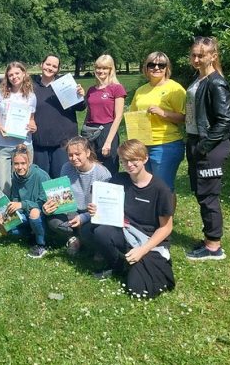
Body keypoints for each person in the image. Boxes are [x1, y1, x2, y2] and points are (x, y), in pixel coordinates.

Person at [89, 140, 175, 298]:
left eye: (134, 160)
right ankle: (118, 265)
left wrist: (143, 250)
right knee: (99, 231)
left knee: (138, 291)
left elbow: (166, 228)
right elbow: (108, 207)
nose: (129, 164)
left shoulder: (161, 189)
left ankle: (138, 263)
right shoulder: (119, 179)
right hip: (124, 230)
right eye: (124, 160)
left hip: (148, 239)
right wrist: (96, 209)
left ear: (145, 158)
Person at [185, 37, 230, 261]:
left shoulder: (216, 83)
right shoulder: (199, 78)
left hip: (209, 146)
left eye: (201, 55)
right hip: (197, 141)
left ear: (213, 56)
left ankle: (214, 247)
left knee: (208, 195)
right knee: (201, 192)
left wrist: (203, 147)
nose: (196, 59)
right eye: (193, 55)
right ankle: (209, 239)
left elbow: (224, 121)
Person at [130, 51, 186, 199]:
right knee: (146, 187)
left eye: (161, 65)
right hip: (142, 146)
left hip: (165, 145)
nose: (156, 68)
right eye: (152, 64)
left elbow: (185, 118)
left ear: (167, 68)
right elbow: (133, 116)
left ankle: (166, 215)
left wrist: (163, 113)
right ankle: (152, 214)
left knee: (164, 188)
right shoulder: (141, 90)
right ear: (146, 67)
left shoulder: (175, 89)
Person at [43, 136, 111, 255]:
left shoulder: (102, 174)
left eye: (78, 154)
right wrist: (49, 208)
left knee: (90, 230)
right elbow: (63, 198)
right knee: (52, 221)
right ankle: (74, 238)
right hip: (72, 211)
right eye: (70, 155)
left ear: (88, 153)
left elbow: (104, 208)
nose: (74, 158)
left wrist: (84, 217)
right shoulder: (66, 168)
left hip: (93, 214)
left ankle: (90, 243)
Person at [32, 55, 85, 179]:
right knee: (41, 179)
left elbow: (80, 107)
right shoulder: (31, 86)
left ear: (58, 69)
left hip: (62, 143)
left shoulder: (64, 85)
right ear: (41, 64)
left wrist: (80, 96)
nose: (50, 68)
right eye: (48, 64)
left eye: (54, 66)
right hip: (39, 142)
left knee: (62, 180)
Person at [0, 61, 37, 195]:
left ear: (24, 74)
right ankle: (5, 208)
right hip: (3, 145)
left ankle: (21, 207)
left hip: (24, 145)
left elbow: (31, 119)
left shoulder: (31, 96)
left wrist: (33, 126)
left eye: (17, 73)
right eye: (11, 75)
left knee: (23, 182)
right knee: (3, 185)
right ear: (7, 77)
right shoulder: (0, 93)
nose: (14, 77)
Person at [0, 144, 50, 258]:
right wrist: (5, 218)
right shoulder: (15, 177)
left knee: (34, 212)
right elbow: (15, 198)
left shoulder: (41, 176)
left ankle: (41, 244)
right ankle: (31, 233)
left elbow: (43, 202)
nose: (20, 167)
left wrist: (22, 204)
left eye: (23, 163)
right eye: (16, 164)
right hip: (25, 213)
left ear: (29, 162)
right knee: (6, 225)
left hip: (43, 215)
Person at [82, 55, 126, 176]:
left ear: (111, 69)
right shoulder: (91, 90)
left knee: (109, 170)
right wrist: (84, 133)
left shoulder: (117, 88)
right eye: (98, 68)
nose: (101, 71)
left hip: (107, 130)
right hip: (91, 131)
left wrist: (108, 142)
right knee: (91, 167)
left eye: (105, 68)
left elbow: (118, 117)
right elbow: (89, 112)